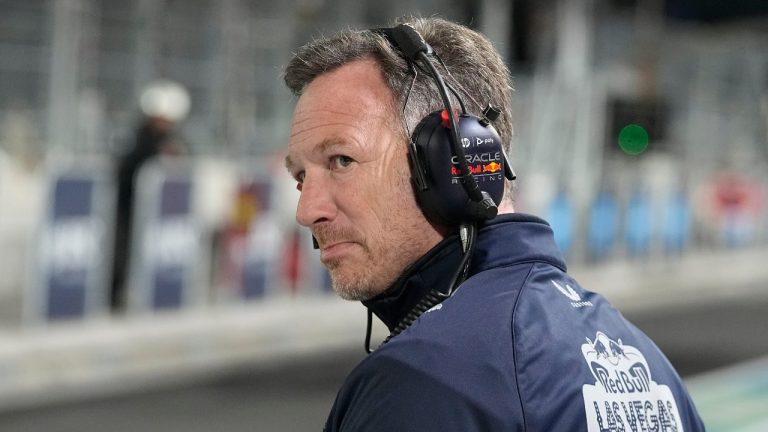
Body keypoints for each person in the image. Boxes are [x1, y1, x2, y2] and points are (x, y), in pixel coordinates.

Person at [283, 17, 704, 431]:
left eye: (341, 160)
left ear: (453, 163)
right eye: (301, 177)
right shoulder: (651, 368)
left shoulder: (425, 378)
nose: (307, 210)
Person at [111, 80, 189, 311]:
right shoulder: (138, 138)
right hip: (128, 208)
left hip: (154, 214)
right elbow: (129, 168)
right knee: (121, 254)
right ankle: (115, 297)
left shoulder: (169, 140)